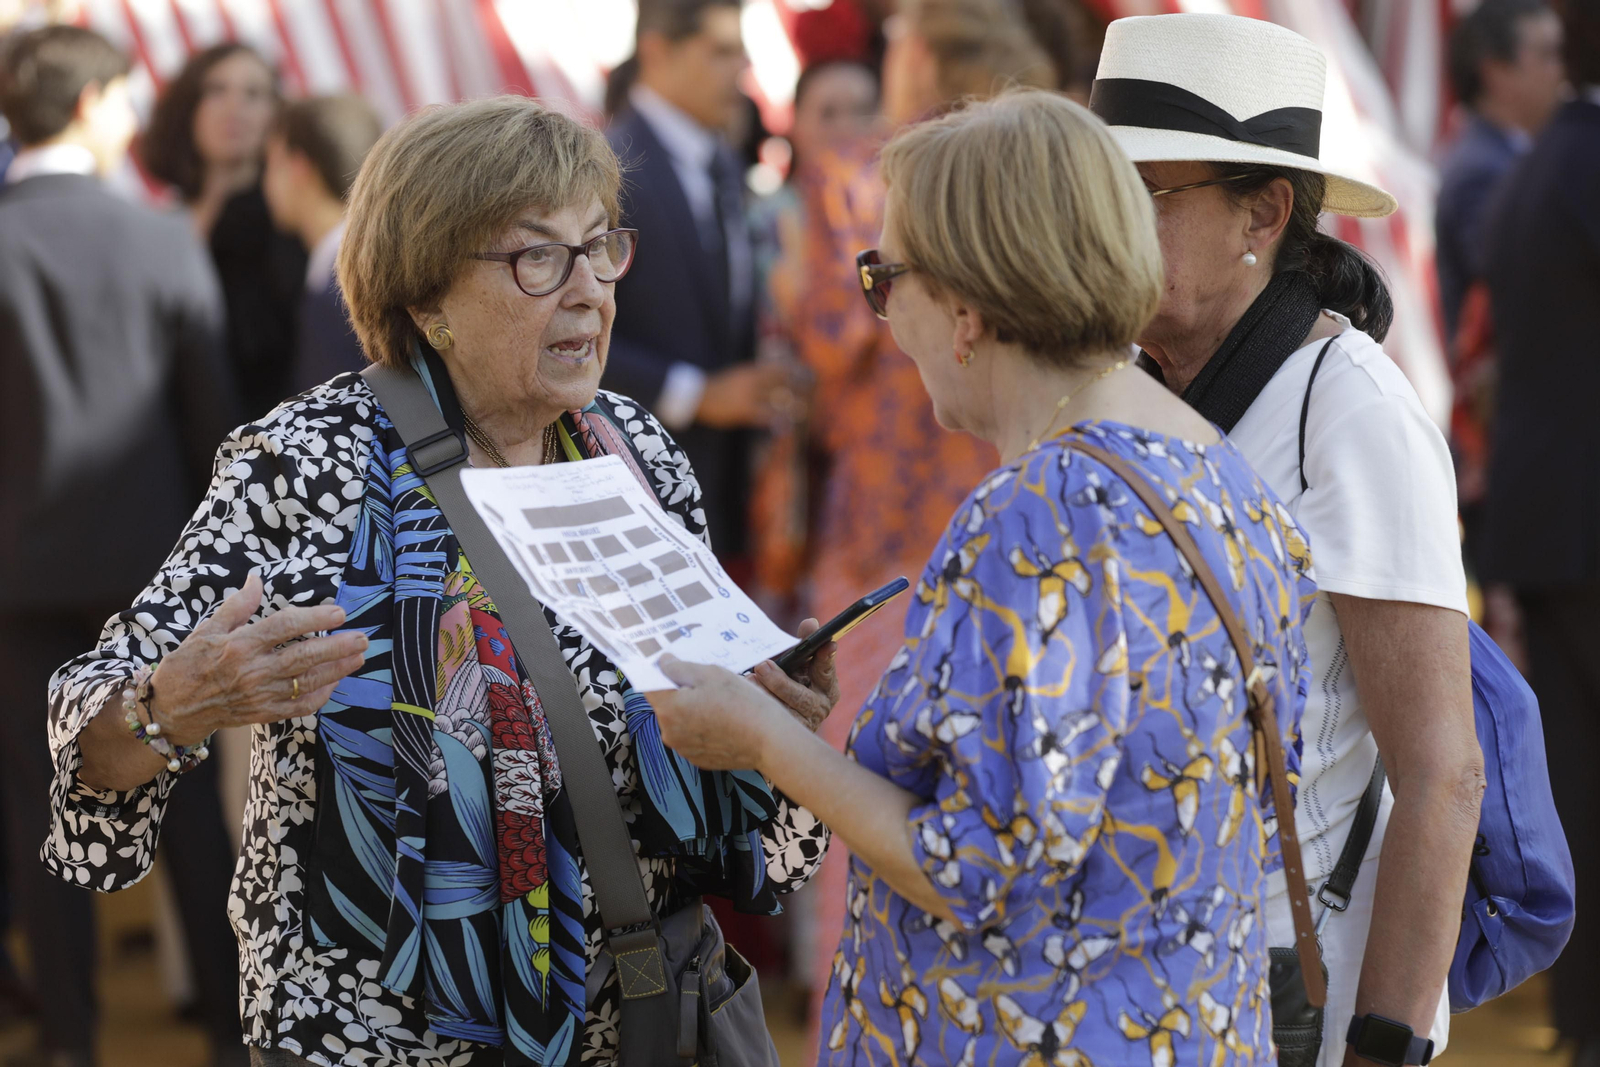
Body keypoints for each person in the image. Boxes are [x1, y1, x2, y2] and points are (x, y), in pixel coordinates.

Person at [42, 94, 830, 1067]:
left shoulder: (637, 455)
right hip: (382, 1027)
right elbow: (89, 727)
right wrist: (173, 704)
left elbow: (704, 763)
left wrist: (769, 717)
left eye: (600, 248)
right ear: (425, 300)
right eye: (537, 258)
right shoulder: (307, 464)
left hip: (636, 1010)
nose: (589, 290)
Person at [645, 89, 1317, 1065]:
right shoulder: (1219, 473)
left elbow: (971, 864)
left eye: (884, 278)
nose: (883, 314)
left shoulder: (1038, 510)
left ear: (965, 307)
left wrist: (762, 741)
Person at [1090, 13, 1483, 1066]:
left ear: (1262, 211)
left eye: (1147, 195)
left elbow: (1442, 772)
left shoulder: (1349, 409)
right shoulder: (1130, 379)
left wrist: (1381, 1044)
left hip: (1284, 988)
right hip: (1144, 966)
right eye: (1098, 191)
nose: (1106, 225)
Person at [776, 0, 1069, 1017]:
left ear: (920, 56)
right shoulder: (1045, 171)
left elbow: (818, 334)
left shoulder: (866, 178)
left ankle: (848, 1012)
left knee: (857, 778)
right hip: (1012, 499)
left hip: (886, 525)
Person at [0, 25, 246, 1067]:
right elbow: (214, 427)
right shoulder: (161, 239)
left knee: (36, 813)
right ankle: (238, 1041)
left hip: (14, 583)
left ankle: (69, 1042)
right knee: (189, 817)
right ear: (96, 102)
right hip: (154, 588)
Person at [1481, 1, 1600, 1061]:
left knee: (1577, 783)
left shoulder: (1545, 158)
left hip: (1547, 524)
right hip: (1580, 528)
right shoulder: (1579, 160)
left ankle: (1581, 1021)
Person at [604, 0, 803, 563]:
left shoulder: (723, 162)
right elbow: (561, 329)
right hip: (638, 497)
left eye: (739, 50)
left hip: (728, 502)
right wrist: (697, 395)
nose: (741, 67)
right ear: (657, 52)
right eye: (720, 51)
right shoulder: (604, 167)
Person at [143, 43, 306, 419]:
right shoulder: (161, 221)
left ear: (276, 115)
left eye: (253, 94)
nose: (235, 107)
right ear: (188, 107)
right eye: (217, 90)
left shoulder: (288, 226)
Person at [1436, 0, 1565, 344]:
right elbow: (1526, 288)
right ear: (1496, 72)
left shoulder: (1506, 157)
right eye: (1548, 54)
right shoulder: (1482, 171)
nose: (1562, 70)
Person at [260, 93, 384, 394]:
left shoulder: (338, 292)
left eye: (270, 163)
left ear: (298, 166)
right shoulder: (381, 266)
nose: (264, 180)